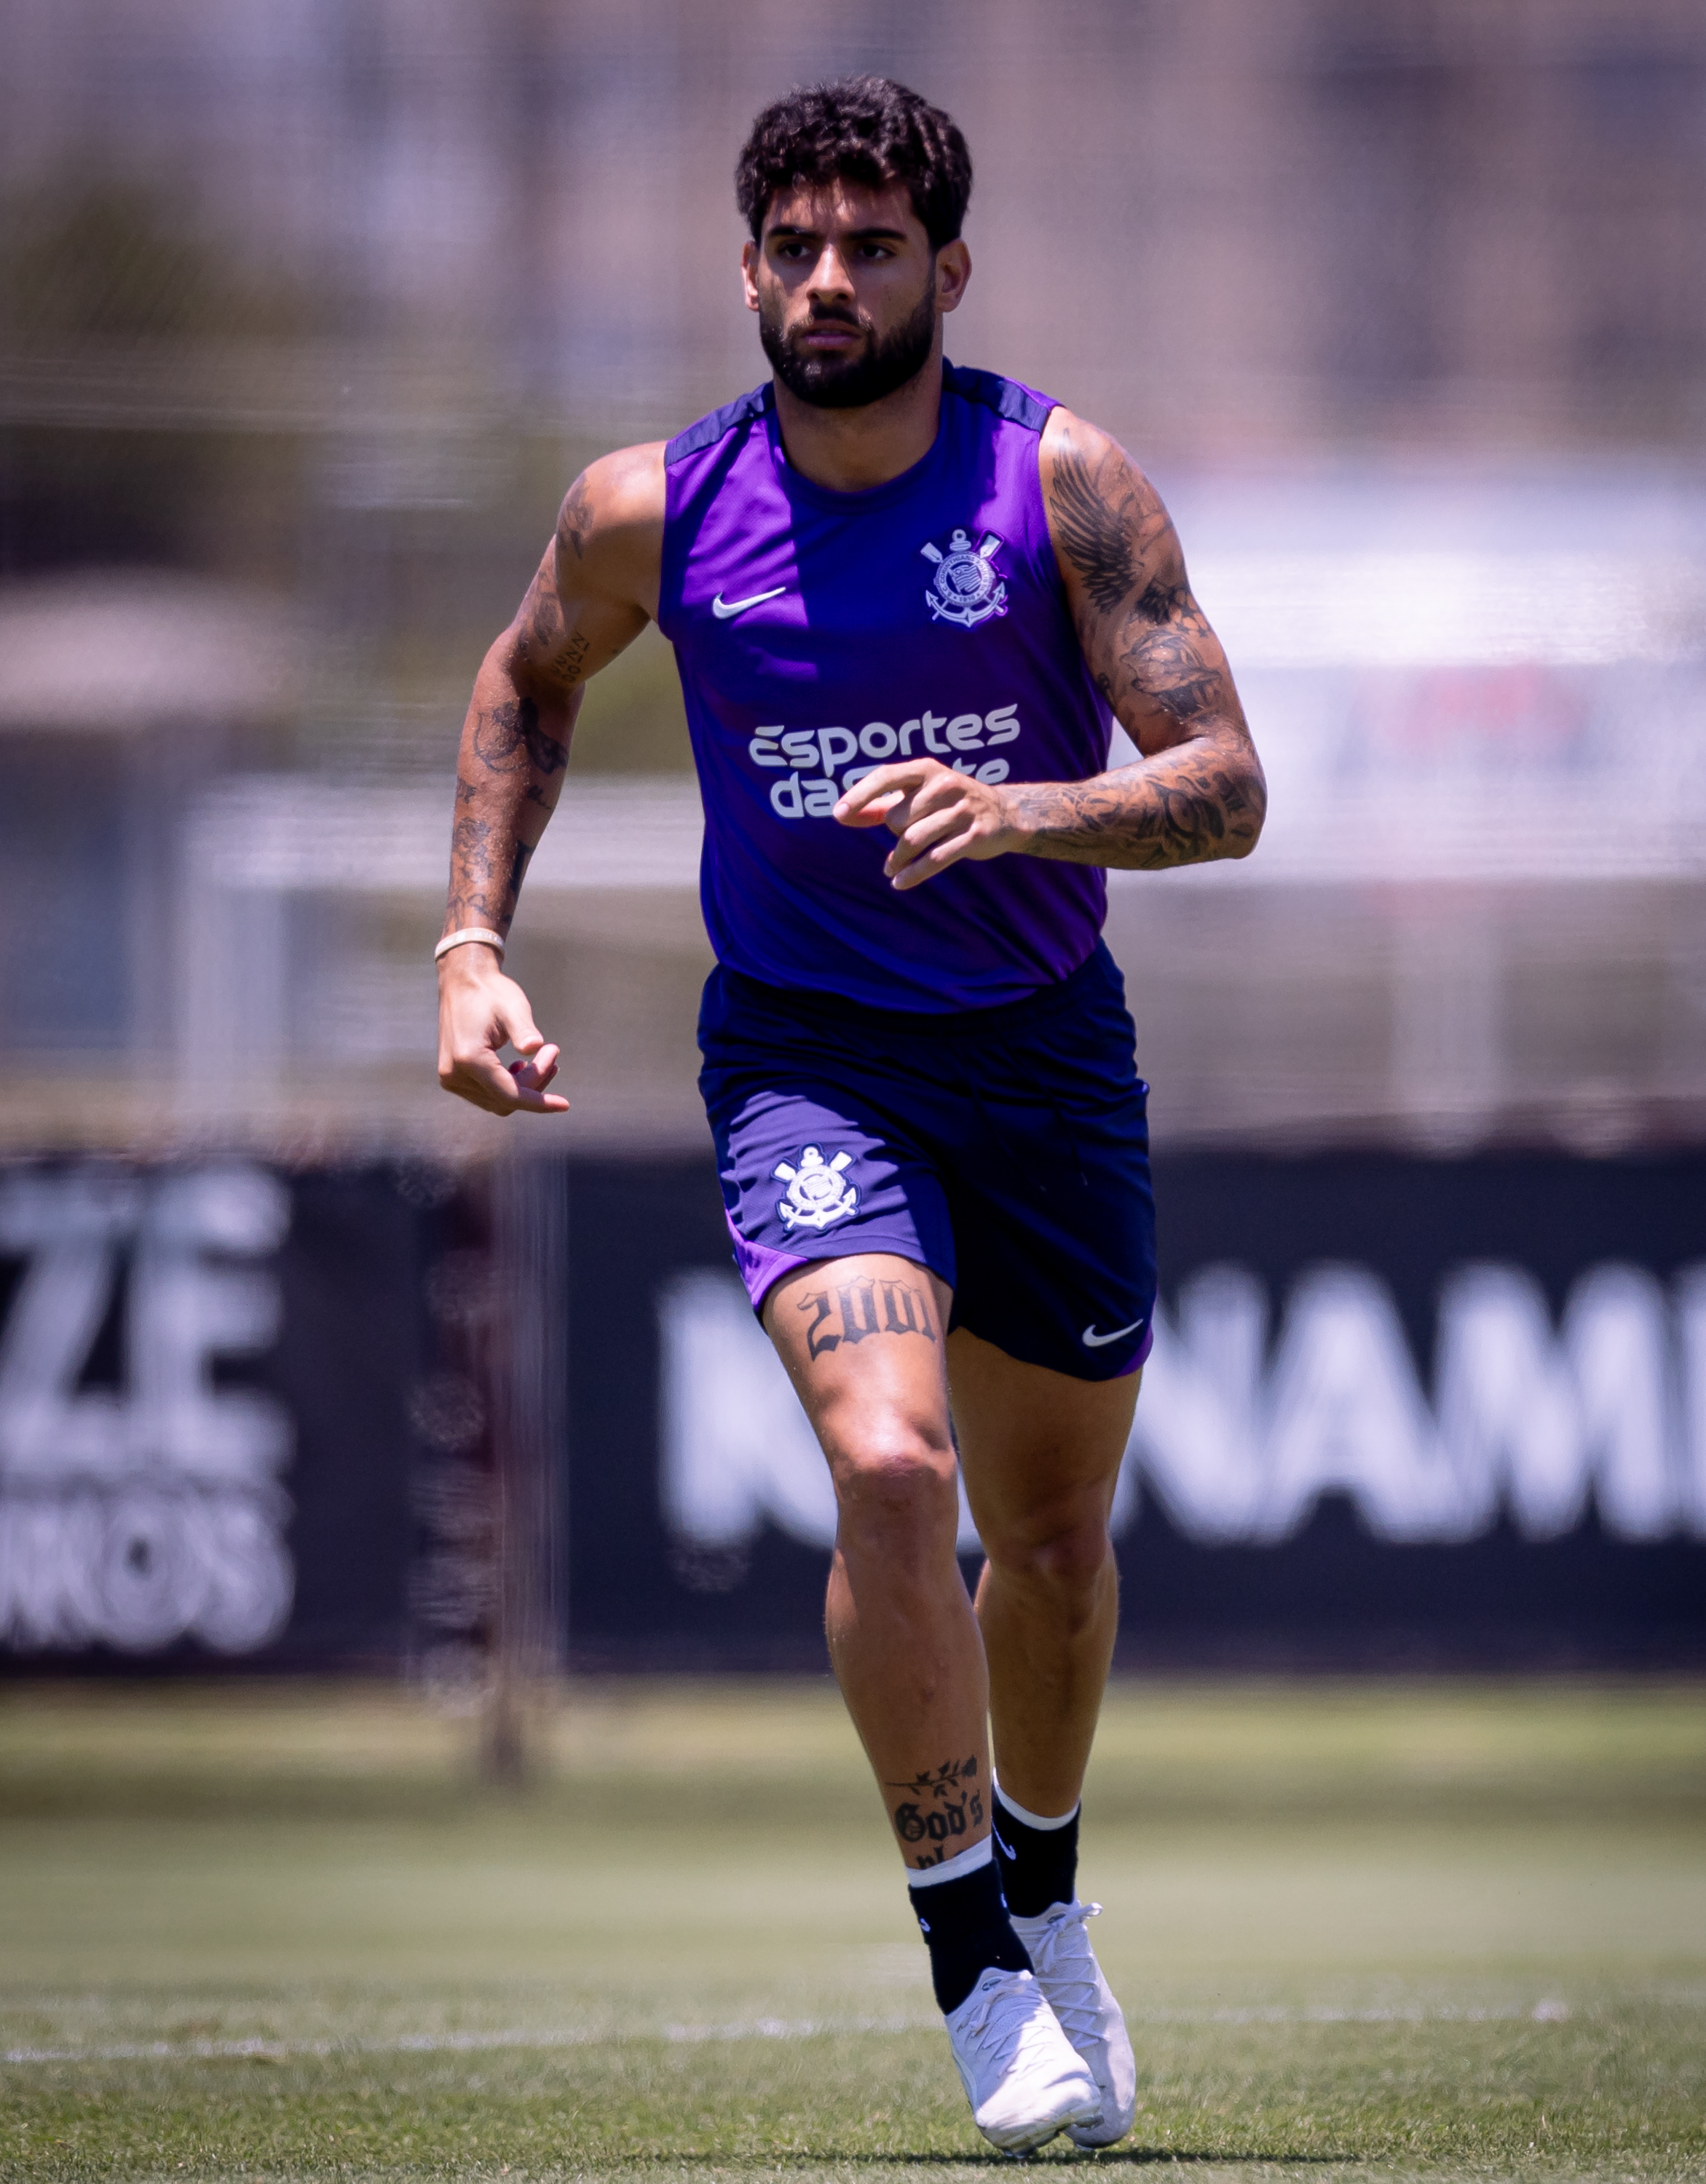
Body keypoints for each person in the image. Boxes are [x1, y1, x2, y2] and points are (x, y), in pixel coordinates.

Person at [435, 75, 1264, 2154]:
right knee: (890, 1467)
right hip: (809, 1063)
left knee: (1052, 1547)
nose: (829, 280)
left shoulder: (1060, 487)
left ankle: (1046, 1898)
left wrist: (1028, 809)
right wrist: (468, 946)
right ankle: (974, 1965)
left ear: (945, 271)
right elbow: (528, 680)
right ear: (746, 271)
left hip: (1046, 1059)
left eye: (871, 247)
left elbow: (1227, 784)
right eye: (795, 247)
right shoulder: (651, 508)